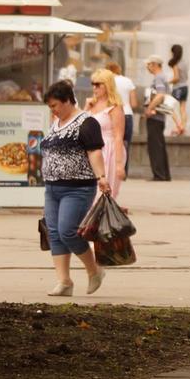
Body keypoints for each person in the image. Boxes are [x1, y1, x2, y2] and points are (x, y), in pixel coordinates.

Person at [40, 80, 110, 298]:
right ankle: (64, 281)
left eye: (55, 105)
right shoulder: (56, 123)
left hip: (77, 188)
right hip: (52, 188)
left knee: (68, 231)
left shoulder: (86, 123)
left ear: (68, 101)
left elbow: (94, 152)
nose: (53, 110)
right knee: (53, 233)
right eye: (50, 107)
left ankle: (94, 270)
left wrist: (102, 177)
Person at [85, 68, 126, 200]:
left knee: (104, 195)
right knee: (90, 194)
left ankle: (103, 220)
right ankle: (92, 220)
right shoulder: (92, 104)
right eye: (92, 84)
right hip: (92, 151)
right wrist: (86, 108)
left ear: (107, 85)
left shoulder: (115, 107)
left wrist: (119, 164)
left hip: (109, 150)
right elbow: (80, 126)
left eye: (98, 84)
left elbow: (119, 136)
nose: (94, 88)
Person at [142, 55, 172, 182]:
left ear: (154, 64)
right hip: (160, 117)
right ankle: (164, 174)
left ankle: (159, 174)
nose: (147, 67)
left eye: (148, 65)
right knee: (159, 145)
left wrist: (149, 108)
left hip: (155, 116)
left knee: (155, 146)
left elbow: (160, 95)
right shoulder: (162, 77)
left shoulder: (158, 78)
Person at [106, 62, 137, 176]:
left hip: (112, 114)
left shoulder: (108, 82)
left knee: (112, 142)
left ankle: (112, 170)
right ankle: (124, 171)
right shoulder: (128, 81)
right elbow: (134, 103)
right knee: (125, 143)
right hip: (127, 114)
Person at [167, 44, 188, 135]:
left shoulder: (176, 64)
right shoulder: (184, 63)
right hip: (185, 87)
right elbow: (186, 77)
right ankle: (183, 126)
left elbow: (176, 78)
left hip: (178, 88)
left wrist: (168, 82)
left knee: (169, 107)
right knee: (182, 109)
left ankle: (179, 126)